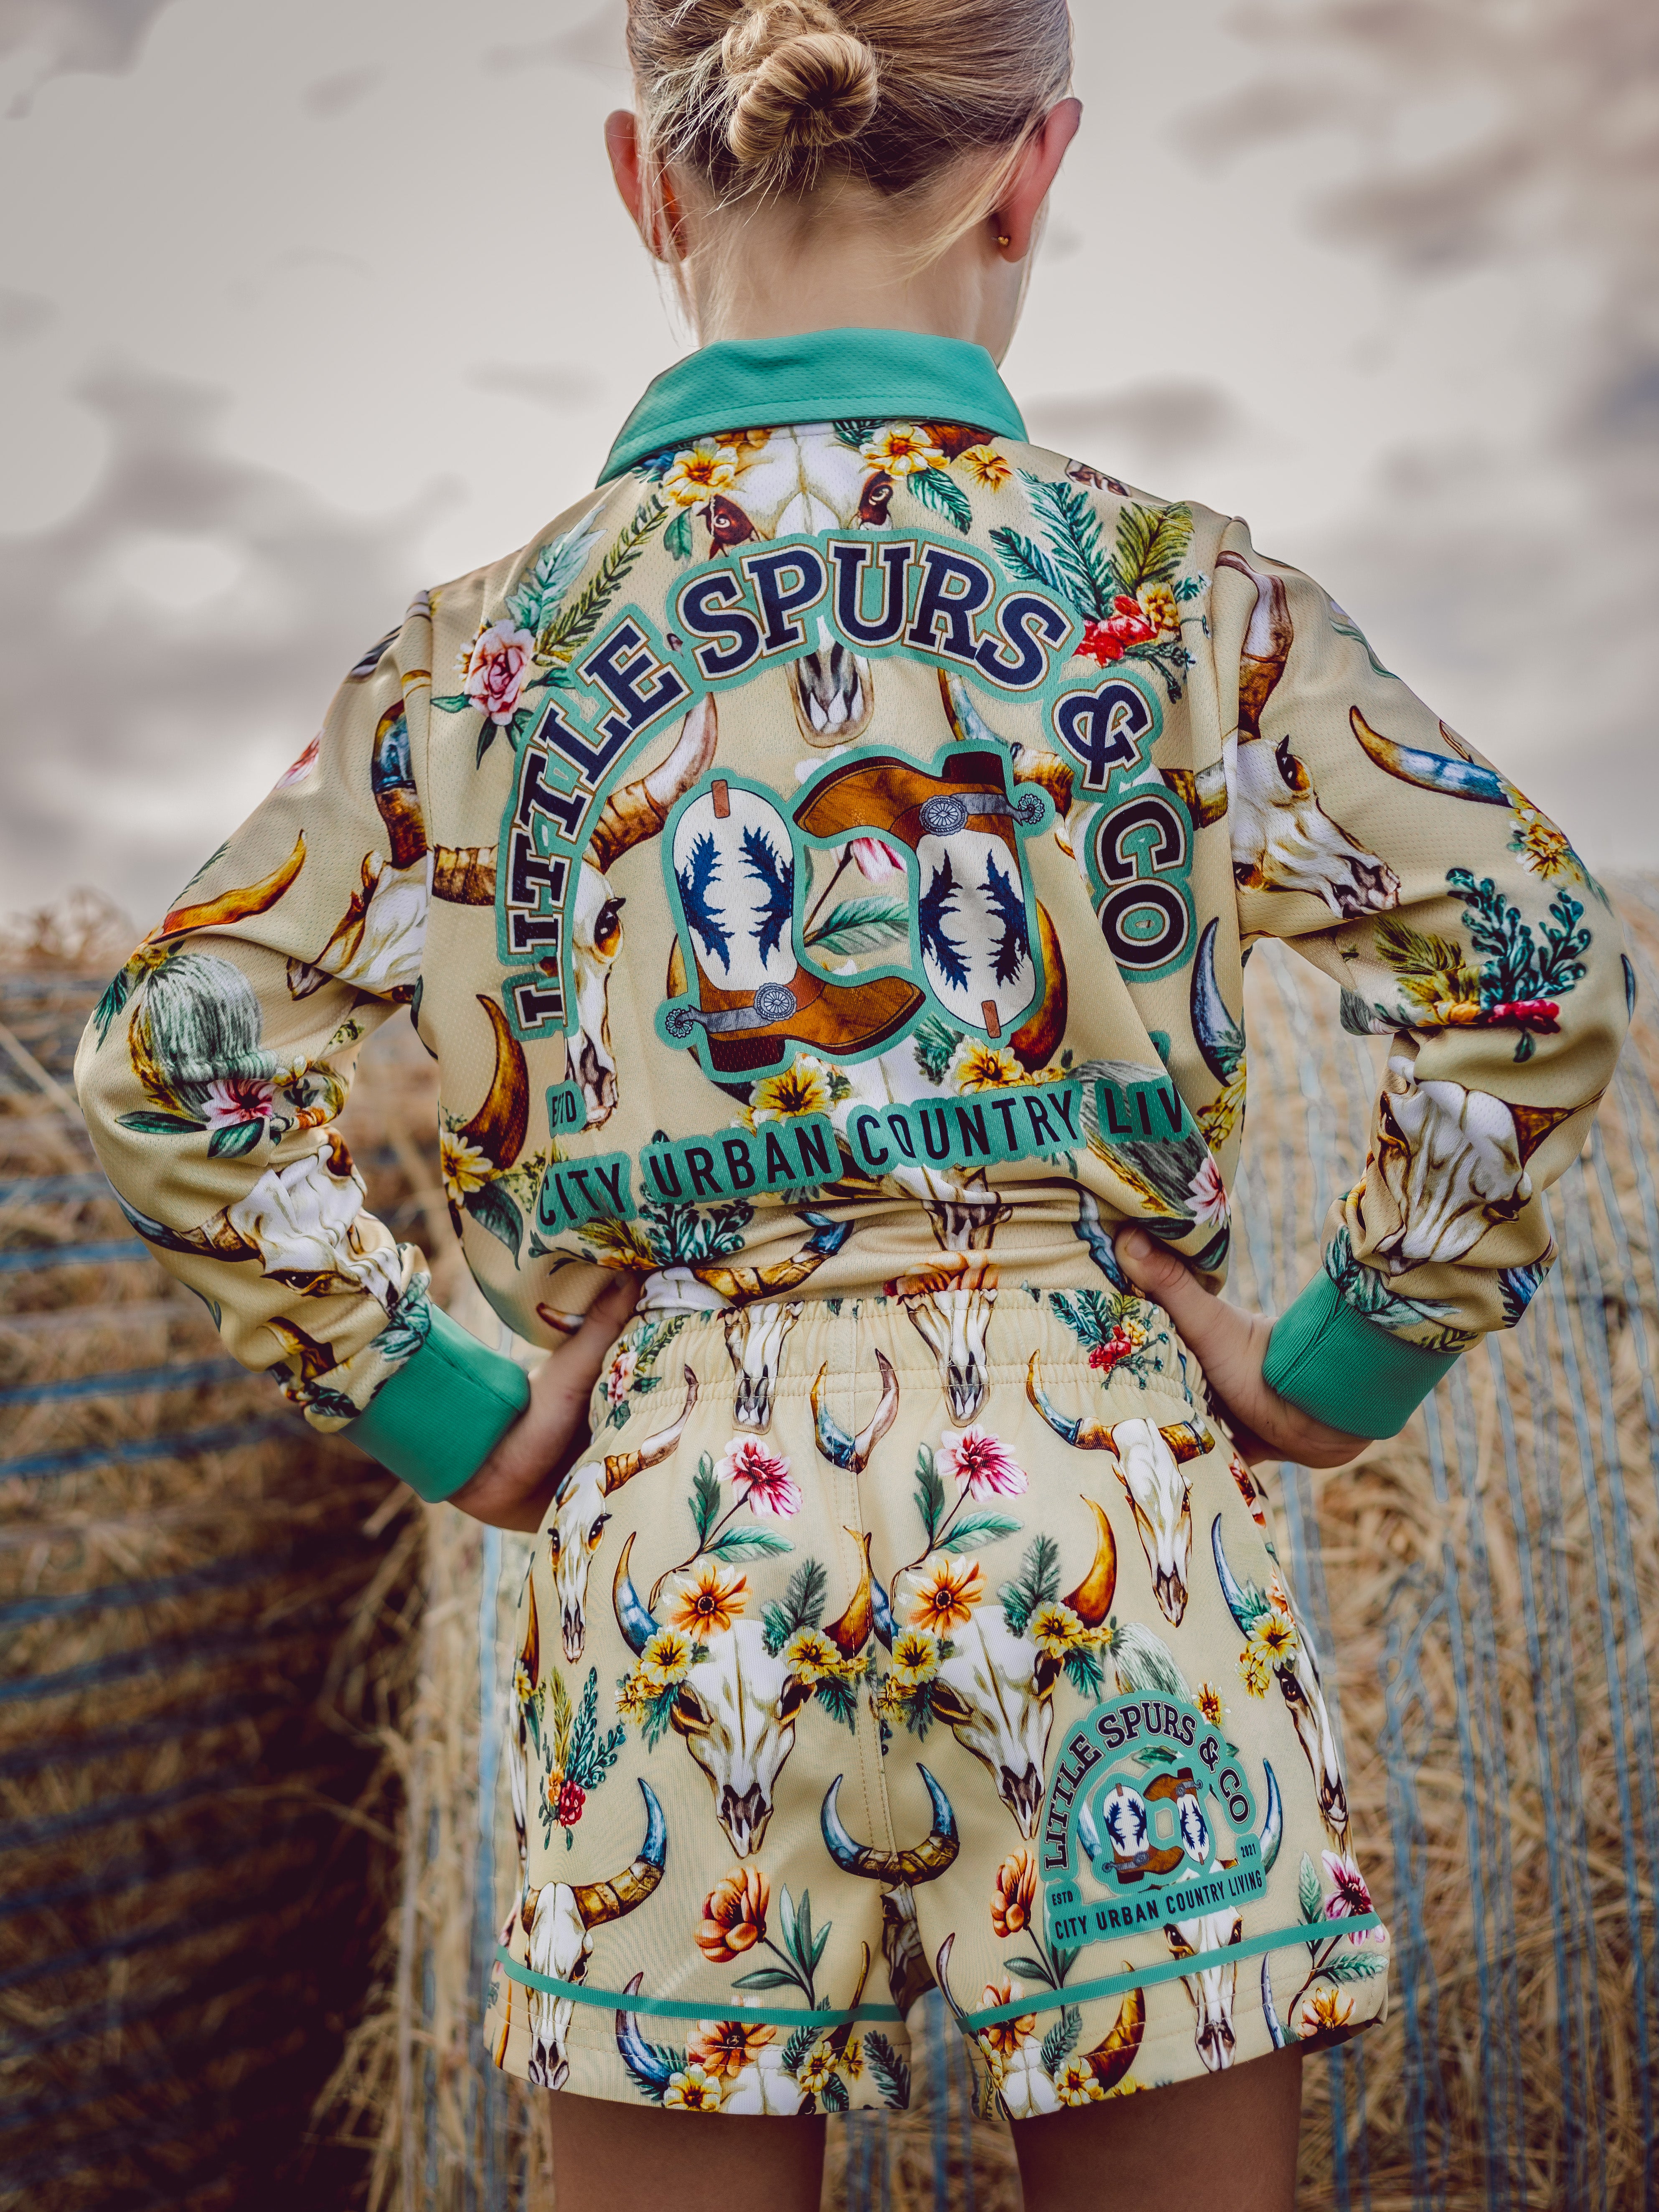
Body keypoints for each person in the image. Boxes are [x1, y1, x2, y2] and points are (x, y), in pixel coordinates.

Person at [75, 3, 1630, 2206]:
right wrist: (1335, 1359)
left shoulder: (477, 657)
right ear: (1034, 174)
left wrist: (444, 1400)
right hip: (1100, 1497)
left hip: (676, 1528)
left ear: (644, 182)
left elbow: (169, 1059)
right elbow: (1532, 958)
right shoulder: (1176, 603)